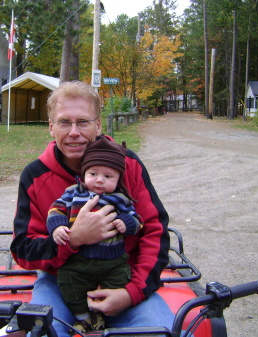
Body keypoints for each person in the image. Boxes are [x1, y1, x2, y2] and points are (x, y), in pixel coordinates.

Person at [10, 80, 173, 337]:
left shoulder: (127, 164)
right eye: (64, 122)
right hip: (59, 280)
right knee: (40, 332)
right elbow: (22, 249)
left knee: (161, 333)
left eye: (83, 122)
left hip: (123, 275)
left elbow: (154, 229)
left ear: (98, 125)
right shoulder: (35, 176)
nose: (74, 132)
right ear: (51, 127)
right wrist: (73, 239)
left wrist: (132, 292)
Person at [46, 136, 143, 333]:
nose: (99, 180)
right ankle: (84, 318)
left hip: (113, 262)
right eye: (93, 173)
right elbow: (55, 209)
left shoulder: (120, 199)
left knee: (120, 280)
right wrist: (57, 228)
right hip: (79, 261)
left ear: (118, 180)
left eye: (108, 176)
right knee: (67, 281)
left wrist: (127, 223)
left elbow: (138, 219)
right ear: (83, 173)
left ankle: (102, 315)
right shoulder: (73, 193)